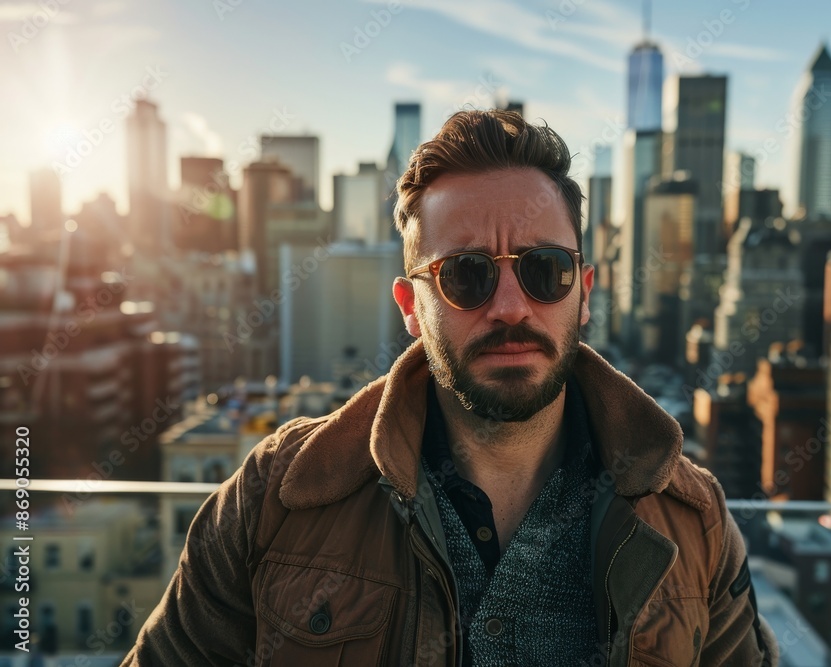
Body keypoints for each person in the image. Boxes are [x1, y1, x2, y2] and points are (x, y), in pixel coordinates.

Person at [123, 110, 778, 666]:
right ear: (411, 304)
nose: (512, 307)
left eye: (545, 270)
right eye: (466, 275)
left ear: (585, 292)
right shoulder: (277, 496)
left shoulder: (694, 520)